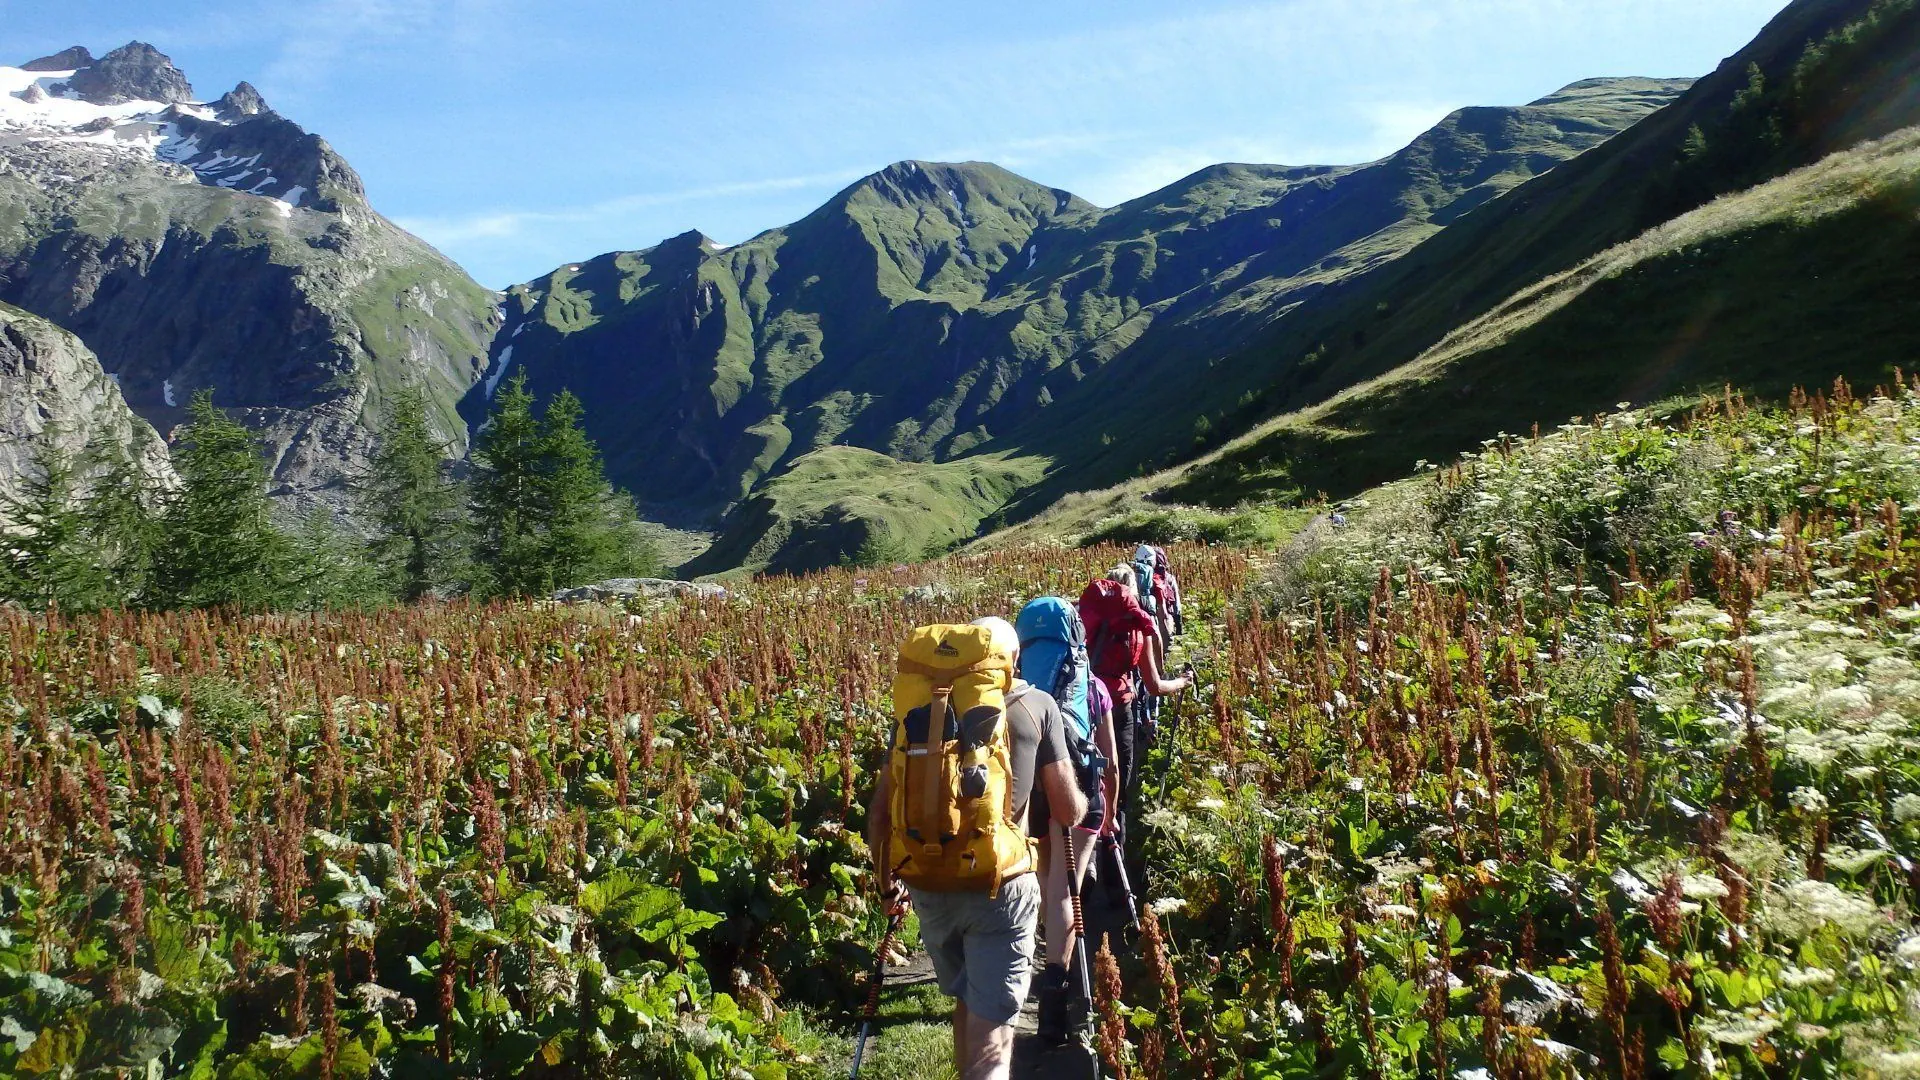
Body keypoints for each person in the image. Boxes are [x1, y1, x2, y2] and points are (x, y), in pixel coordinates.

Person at [867, 616, 1087, 1080]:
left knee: (968, 999)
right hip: (999, 884)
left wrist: (888, 886)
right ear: (1012, 661)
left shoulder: (919, 714)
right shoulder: (1037, 706)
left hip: (929, 881)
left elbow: (880, 815)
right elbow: (1068, 811)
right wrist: (1087, 797)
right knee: (994, 1037)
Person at [1078, 565, 1191, 859]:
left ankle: (1084, 858)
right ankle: (1114, 860)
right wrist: (1181, 682)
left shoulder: (1084, 619)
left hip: (1084, 707)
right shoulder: (1139, 627)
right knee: (1120, 784)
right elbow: (1153, 686)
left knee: (1086, 781)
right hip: (1120, 707)